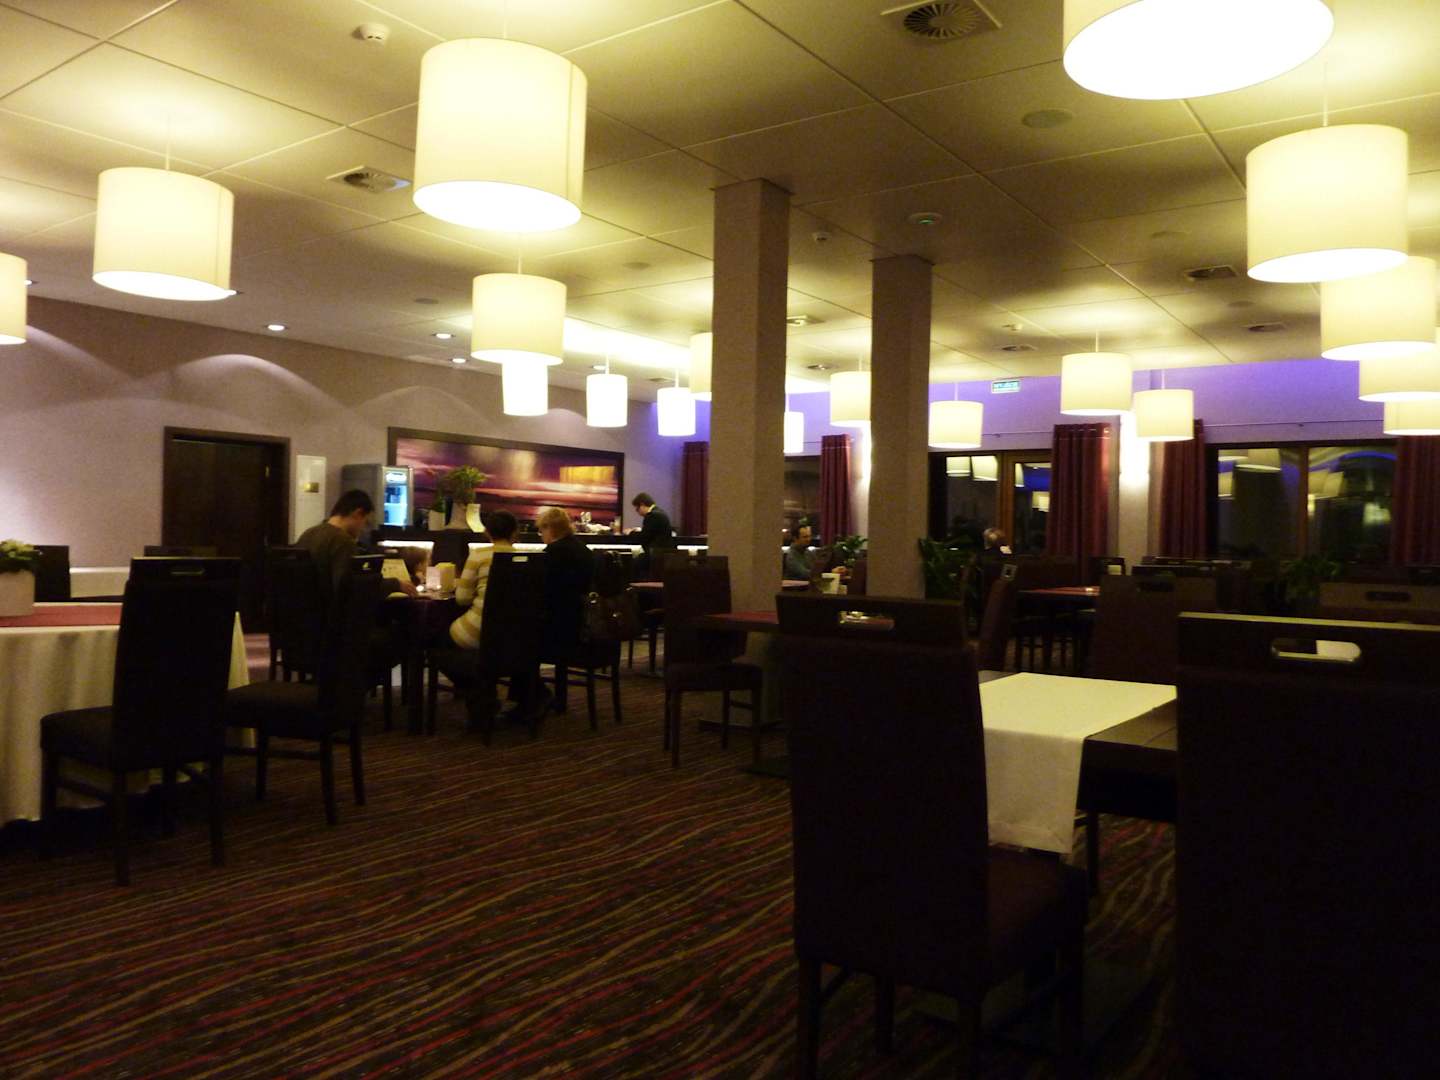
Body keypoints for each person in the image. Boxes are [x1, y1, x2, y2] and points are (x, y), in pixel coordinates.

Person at [295, 490, 417, 600]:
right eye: (365, 522)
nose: (363, 528)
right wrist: (395, 584)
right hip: (333, 614)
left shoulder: (308, 534)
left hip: (305, 611)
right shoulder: (342, 541)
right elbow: (349, 587)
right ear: (358, 513)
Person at [537, 507, 597, 713]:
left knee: (519, 641)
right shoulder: (584, 551)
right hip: (581, 626)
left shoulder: (551, 554)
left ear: (550, 528)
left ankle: (535, 696)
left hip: (557, 630)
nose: (541, 535)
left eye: (541, 530)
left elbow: (543, 593)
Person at [448, 511, 517, 648]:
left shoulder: (479, 555)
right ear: (514, 532)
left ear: (487, 532)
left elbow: (462, 598)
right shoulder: (524, 558)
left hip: (476, 632)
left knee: (439, 632)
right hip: (513, 636)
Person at [629, 492, 675, 577]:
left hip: (655, 556)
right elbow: (653, 531)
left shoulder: (651, 515)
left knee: (631, 564)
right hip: (664, 555)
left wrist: (630, 533)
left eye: (637, 509)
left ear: (642, 505)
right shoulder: (659, 512)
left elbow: (644, 538)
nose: (637, 512)